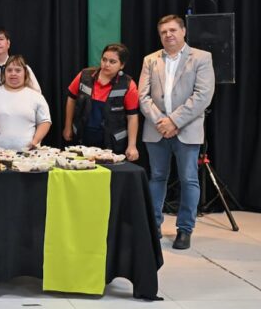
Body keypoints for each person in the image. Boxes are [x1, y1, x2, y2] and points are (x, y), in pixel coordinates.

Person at [139, 14, 215, 250]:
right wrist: (161, 122)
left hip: (187, 129)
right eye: (163, 32)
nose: (168, 35)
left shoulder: (202, 58)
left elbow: (203, 95)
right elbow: (143, 96)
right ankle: (154, 226)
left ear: (183, 31)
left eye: (173, 30)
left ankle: (185, 229)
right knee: (157, 177)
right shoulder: (150, 60)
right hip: (156, 130)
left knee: (188, 179)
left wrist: (174, 121)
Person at [63, 43, 140, 161]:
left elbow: (132, 116)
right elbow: (71, 99)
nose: (106, 64)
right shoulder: (84, 75)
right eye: (104, 59)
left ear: (122, 65)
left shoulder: (128, 85)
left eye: (112, 62)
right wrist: (67, 126)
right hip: (82, 137)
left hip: (111, 143)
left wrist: (132, 145)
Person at [0, 55, 52, 150]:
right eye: (9, 70)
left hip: (27, 153)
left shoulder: (36, 96)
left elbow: (45, 121)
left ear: (25, 73)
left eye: (18, 70)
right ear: (4, 73)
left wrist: (35, 141)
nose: (13, 73)